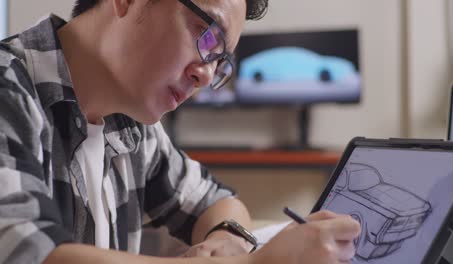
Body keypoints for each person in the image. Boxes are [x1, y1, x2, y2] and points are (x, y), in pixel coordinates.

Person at [0, 0, 361, 263]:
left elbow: (216, 201)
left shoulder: (129, 125)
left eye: (220, 61)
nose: (205, 75)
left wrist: (227, 241)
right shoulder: (9, 86)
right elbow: (27, 251)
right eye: (206, 36)